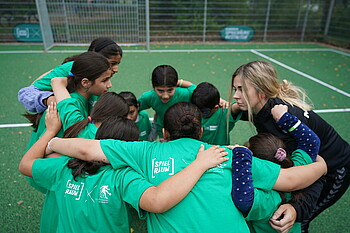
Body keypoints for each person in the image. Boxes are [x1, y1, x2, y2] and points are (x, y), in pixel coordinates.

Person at [47, 102, 327, 233]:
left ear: (164, 133)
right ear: (201, 130)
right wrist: (323, 166)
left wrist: (53, 142)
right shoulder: (228, 154)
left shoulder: (145, 151)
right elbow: (290, 180)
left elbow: (86, 149)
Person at [19, 102, 229, 233]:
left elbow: (25, 165)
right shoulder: (124, 176)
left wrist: (50, 135)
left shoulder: (63, 165)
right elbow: (156, 200)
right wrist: (199, 164)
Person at [230, 60, 350, 232]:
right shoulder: (260, 107)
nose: (236, 95)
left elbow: (312, 173)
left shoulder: (284, 122)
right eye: (235, 89)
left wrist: (296, 208)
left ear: (262, 92)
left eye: (241, 89)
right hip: (311, 161)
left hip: (333, 168)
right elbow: (242, 110)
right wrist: (228, 107)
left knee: (302, 221)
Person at [231, 104, 322, 233]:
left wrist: (242, 158)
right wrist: (285, 118)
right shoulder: (298, 166)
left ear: (257, 162)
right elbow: (311, 142)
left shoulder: (270, 199)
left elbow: (243, 200)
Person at [25, 51, 114, 150]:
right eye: (104, 80)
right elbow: (44, 148)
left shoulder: (91, 96)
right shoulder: (66, 106)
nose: (110, 85)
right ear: (85, 83)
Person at [18, 37, 122, 113]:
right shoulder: (70, 68)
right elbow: (25, 93)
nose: (116, 69)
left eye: (118, 64)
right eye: (112, 64)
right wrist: (50, 100)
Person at [137, 64, 196, 141]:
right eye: (160, 91)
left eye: (170, 90)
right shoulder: (148, 97)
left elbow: (199, 91)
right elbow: (133, 108)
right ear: (153, 87)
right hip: (163, 132)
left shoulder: (185, 94)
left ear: (176, 85)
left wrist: (181, 82)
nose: (165, 96)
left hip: (183, 134)